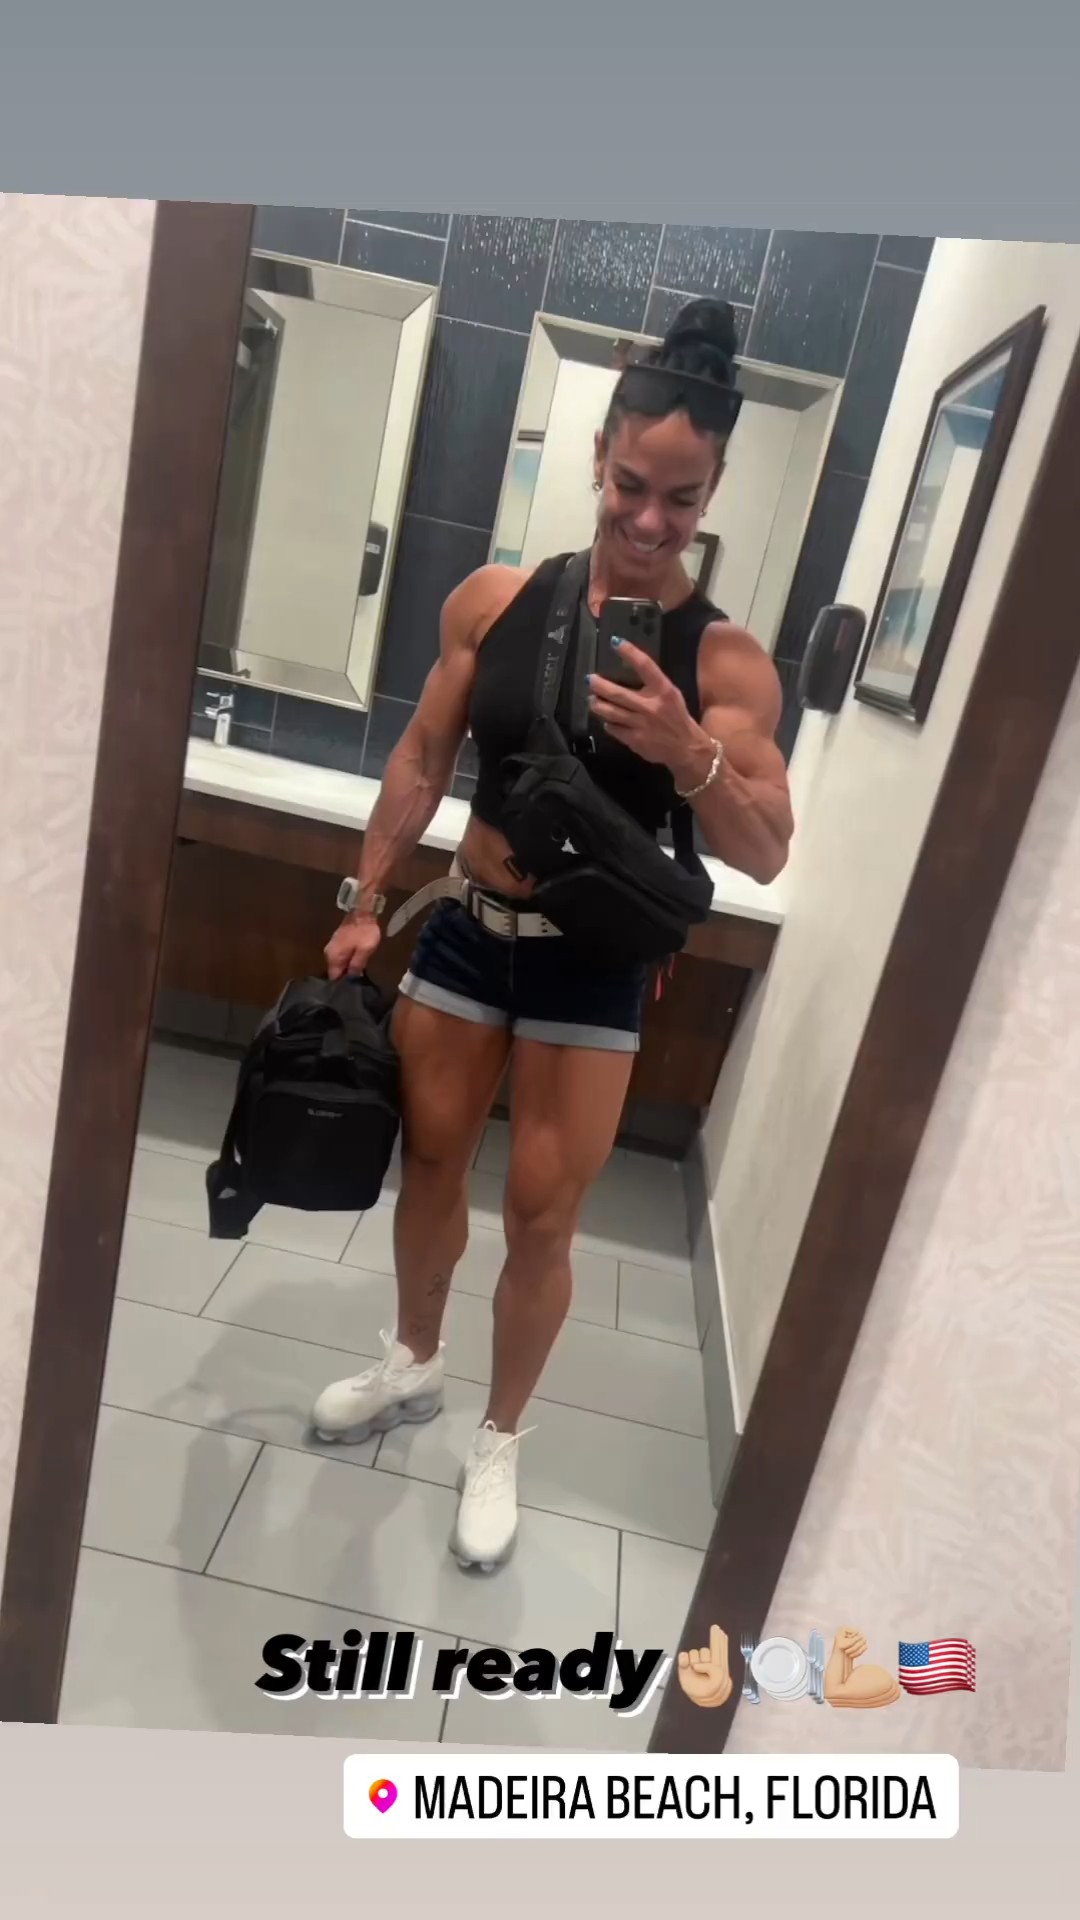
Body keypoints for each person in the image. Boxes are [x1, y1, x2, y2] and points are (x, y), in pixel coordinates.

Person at [312, 298, 794, 1572]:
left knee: (541, 1216)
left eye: (681, 500)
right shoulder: (497, 600)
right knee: (429, 1160)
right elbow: (421, 759)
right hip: (468, 931)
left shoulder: (727, 664)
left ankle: (500, 1436)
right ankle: (413, 1360)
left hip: (595, 966)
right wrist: (364, 903)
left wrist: (689, 755)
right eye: (632, 485)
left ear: (714, 492)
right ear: (598, 456)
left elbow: (765, 849)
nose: (650, 520)